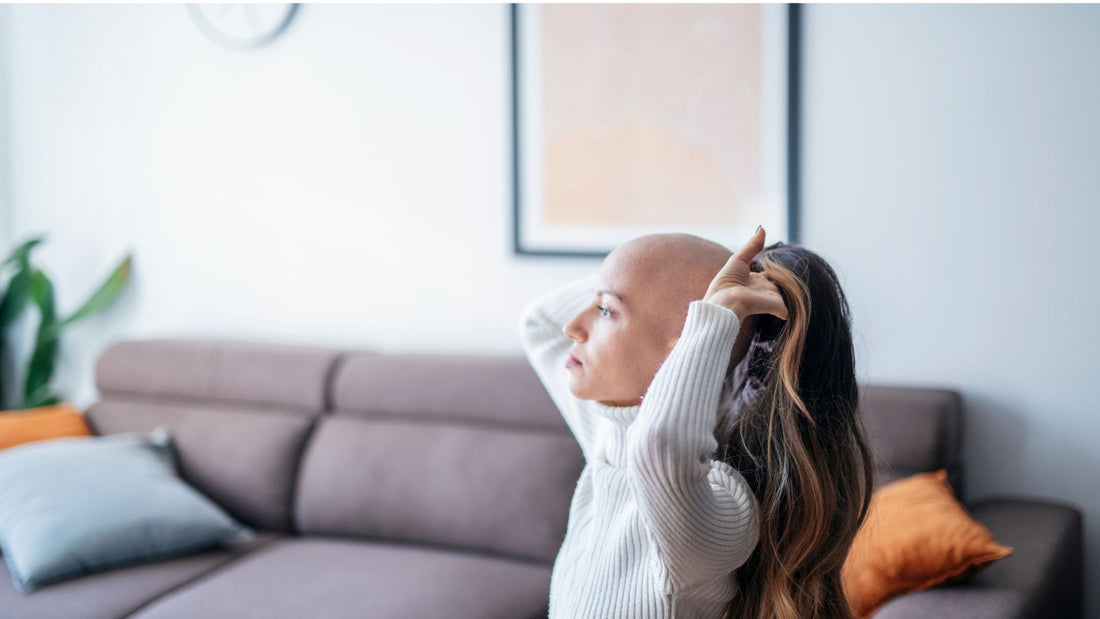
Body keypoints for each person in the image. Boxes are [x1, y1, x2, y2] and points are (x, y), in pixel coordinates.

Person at [519, 226, 875, 619]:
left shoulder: (722, 505)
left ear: (686, 344)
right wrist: (629, 274)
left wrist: (712, 318)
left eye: (606, 311)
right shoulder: (607, 438)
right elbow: (539, 324)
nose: (573, 327)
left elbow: (657, 447)